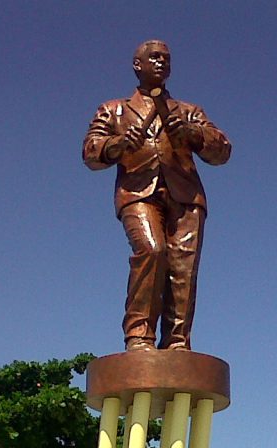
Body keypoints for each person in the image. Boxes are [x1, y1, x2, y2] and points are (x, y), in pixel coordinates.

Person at [83, 40, 232, 351]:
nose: (162, 62)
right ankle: (139, 336)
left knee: (183, 268)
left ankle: (177, 342)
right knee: (152, 251)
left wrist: (193, 135)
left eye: (166, 58)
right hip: (138, 192)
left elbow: (222, 151)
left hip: (186, 195)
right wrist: (119, 144)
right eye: (154, 57)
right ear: (138, 65)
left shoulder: (188, 112)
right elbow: (90, 152)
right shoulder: (114, 109)